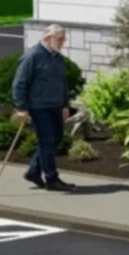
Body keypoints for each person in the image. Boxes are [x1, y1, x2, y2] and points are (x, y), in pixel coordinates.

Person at [12, 24, 77, 192]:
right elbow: (20, 83)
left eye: (64, 39)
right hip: (39, 107)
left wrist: (64, 104)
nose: (63, 42)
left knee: (56, 139)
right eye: (60, 39)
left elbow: (62, 82)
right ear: (49, 38)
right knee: (47, 141)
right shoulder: (33, 56)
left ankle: (34, 171)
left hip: (55, 106)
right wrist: (21, 108)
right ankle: (52, 179)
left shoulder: (57, 57)